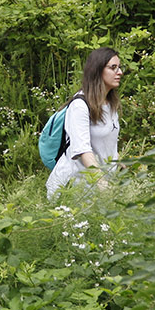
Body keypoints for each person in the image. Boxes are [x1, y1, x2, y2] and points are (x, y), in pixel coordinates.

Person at [46, 47, 123, 199]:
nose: (119, 72)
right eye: (113, 68)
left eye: (120, 67)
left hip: (99, 187)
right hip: (75, 189)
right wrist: (102, 184)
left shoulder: (110, 104)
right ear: (97, 70)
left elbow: (109, 147)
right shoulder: (80, 106)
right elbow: (83, 151)